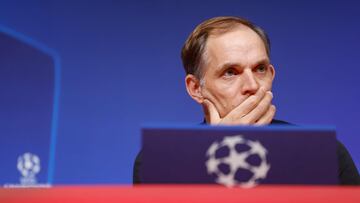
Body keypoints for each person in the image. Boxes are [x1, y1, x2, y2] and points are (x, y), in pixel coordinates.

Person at [133, 16, 360, 185]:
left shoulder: (324, 153)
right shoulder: (159, 161)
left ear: (271, 75)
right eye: (231, 72)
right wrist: (213, 151)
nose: (252, 85)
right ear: (196, 88)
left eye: (260, 69)